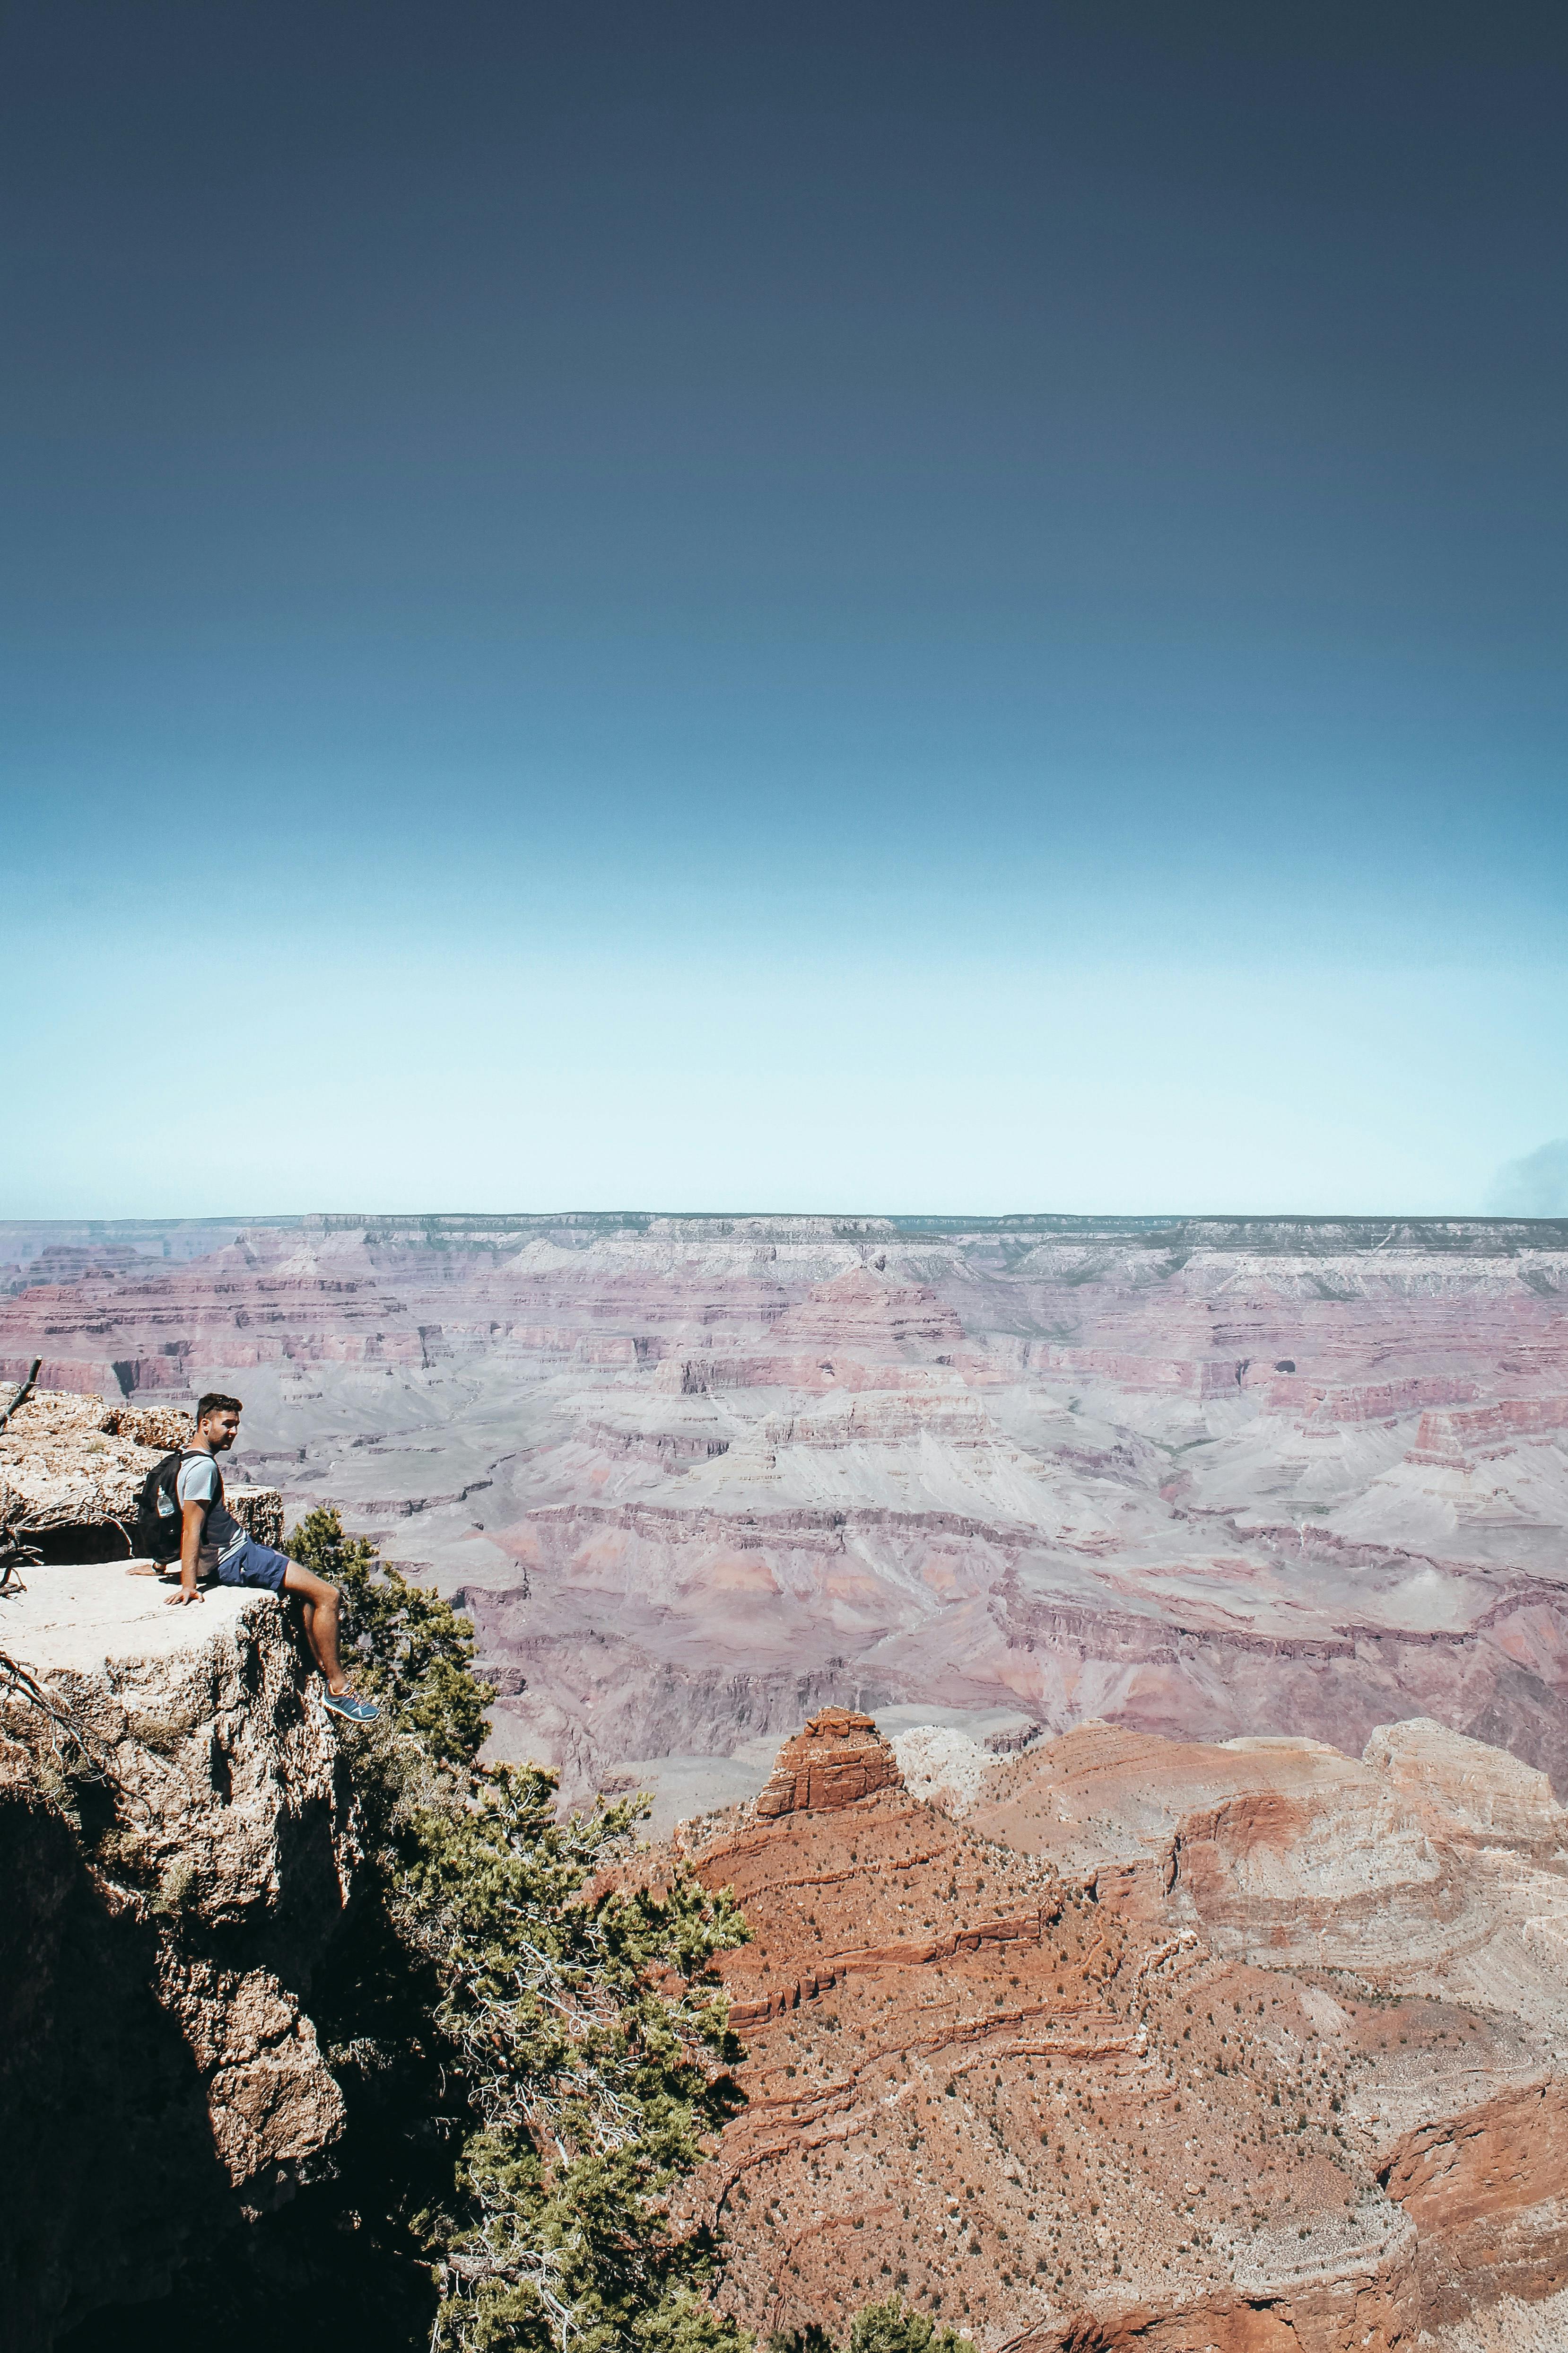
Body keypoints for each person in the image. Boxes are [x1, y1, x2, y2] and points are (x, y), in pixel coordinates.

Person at [165, 1392, 380, 1725]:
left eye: (237, 1425)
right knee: (329, 1595)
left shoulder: (186, 1458)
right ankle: (338, 1688)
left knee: (309, 1590)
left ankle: (320, 1665)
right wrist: (189, 1584)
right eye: (227, 1424)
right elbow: (190, 1529)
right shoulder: (203, 1468)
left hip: (240, 1552)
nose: (234, 1432)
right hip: (237, 1559)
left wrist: (156, 1566)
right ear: (204, 1424)